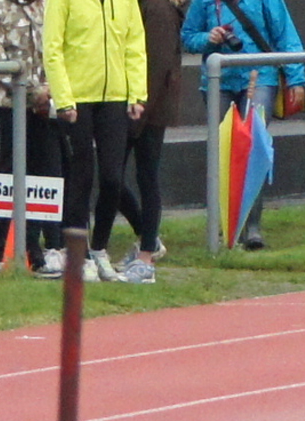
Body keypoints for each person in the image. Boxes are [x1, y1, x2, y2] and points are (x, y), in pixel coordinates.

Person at [182, 0, 305, 250]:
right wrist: (209, 38)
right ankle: (226, 225)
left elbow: (286, 35)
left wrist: (296, 78)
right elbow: (187, 37)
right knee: (223, 151)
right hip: (219, 80)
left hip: (260, 76)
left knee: (253, 146)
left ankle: (252, 227)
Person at [43, 0, 147, 280]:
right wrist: (64, 99)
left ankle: (99, 247)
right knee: (82, 174)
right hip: (77, 98)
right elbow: (53, 48)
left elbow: (135, 45)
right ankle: (79, 255)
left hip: (114, 97)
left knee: (113, 177)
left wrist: (137, 94)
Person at [0, 0, 66, 276]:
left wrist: (52, 90)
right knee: (4, 178)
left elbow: (56, 52)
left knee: (41, 180)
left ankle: (35, 254)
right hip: (6, 108)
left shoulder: (47, 6)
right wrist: (32, 91)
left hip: (43, 109)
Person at [97, 0, 185, 284]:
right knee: (113, 175)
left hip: (146, 106)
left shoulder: (156, 8)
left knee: (144, 175)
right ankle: (147, 237)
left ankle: (147, 252)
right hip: (128, 101)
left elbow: (156, 65)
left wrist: (138, 110)